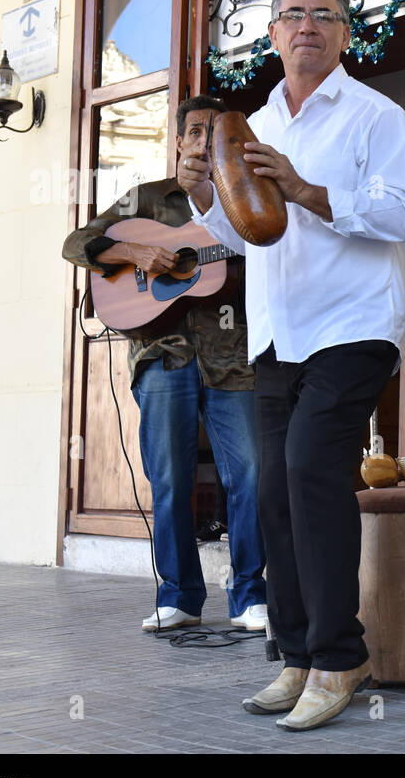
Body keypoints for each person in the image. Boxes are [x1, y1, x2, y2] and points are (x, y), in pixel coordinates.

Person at [179, 0, 405, 731]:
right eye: (293, 16)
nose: (308, 28)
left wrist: (307, 189)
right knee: (270, 489)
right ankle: (296, 654)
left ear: (346, 34)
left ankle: (338, 653)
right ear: (274, 34)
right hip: (277, 331)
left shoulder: (377, 118)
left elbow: (402, 215)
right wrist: (199, 193)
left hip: (353, 325)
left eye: (325, 16)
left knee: (309, 470)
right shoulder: (255, 125)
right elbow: (232, 234)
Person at [62, 95, 268, 633]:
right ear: (179, 141)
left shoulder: (246, 198)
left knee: (250, 474)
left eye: (216, 131)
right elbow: (77, 242)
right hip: (162, 356)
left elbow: (274, 258)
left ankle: (250, 596)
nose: (205, 139)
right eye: (196, 130)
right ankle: (179, 596)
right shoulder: (148, 199)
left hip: (233, 359)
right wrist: (136, 254)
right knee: (169, 478)